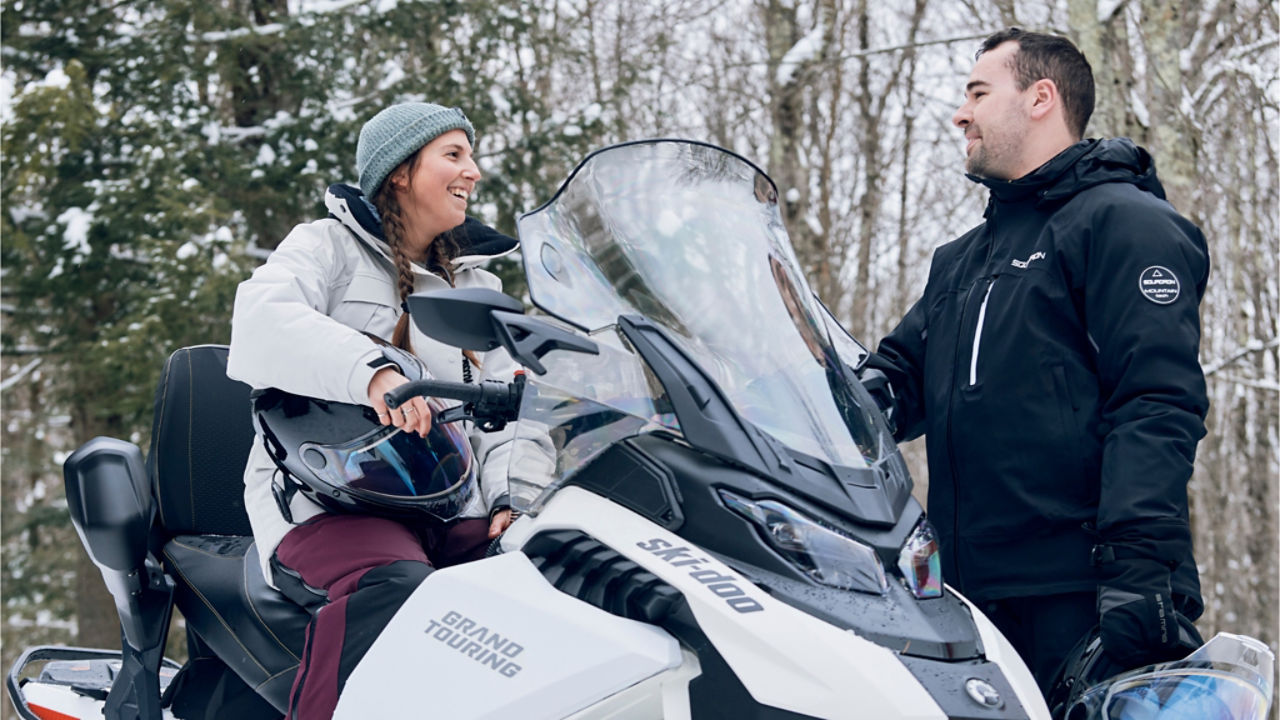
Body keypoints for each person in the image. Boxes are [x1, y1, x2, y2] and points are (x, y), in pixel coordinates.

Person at [866, 28, 1209, 691]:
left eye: (978, 92)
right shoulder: (964, 261)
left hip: (1084, 596)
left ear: (1040, 98)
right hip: (962, 600)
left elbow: (1156, 403)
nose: (960, 113)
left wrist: (1140, 577)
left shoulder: (1124, 224)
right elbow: (897, 378)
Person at [227, 102, 523, 717]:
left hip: (448, 504)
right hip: (326, 501)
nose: (474, 171)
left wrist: (511, 496)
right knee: (397, 586)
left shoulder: (480, 290)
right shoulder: (326, 247)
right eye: (454, 154)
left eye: (471, 155)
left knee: (545, 572)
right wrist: (371, 372)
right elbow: (261, 319)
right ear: (399, 171)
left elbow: (513, 412)